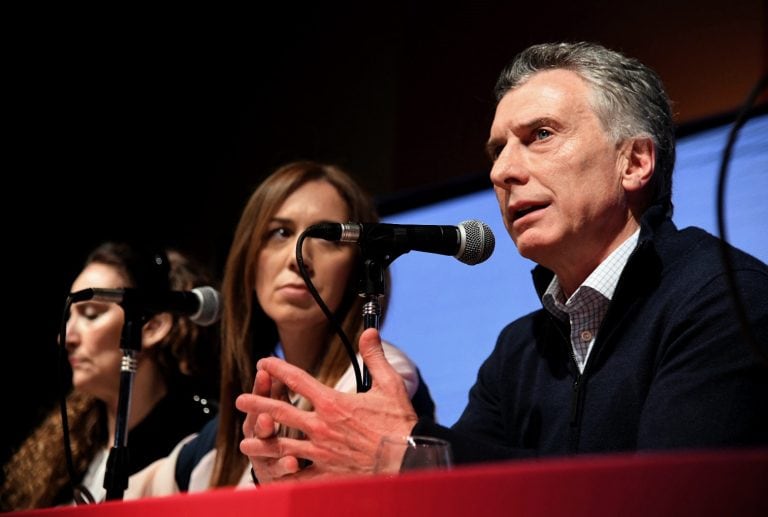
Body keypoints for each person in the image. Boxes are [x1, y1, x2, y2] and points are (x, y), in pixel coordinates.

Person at [235, 41, 768, 481]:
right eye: (497, 151)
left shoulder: (725, 299)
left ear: (634, 161)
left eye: (540, 136)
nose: (502, 172)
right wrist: (305, 468)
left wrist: (406, 451)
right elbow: (459, 492)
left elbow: (664, 499)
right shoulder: (518, 350)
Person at [123, 161, 435, 496]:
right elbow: (125, 496)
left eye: (327, 237)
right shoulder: (220, 437)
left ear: (358, 267)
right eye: (281, 233)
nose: (298, 257)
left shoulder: (381, 377)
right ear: (250, 257)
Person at [0, 242, 220, 510]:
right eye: (70, 317)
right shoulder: (72, 442)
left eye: (91, 314)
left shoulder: (199, 438)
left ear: (153, 327)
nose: (65, 337)